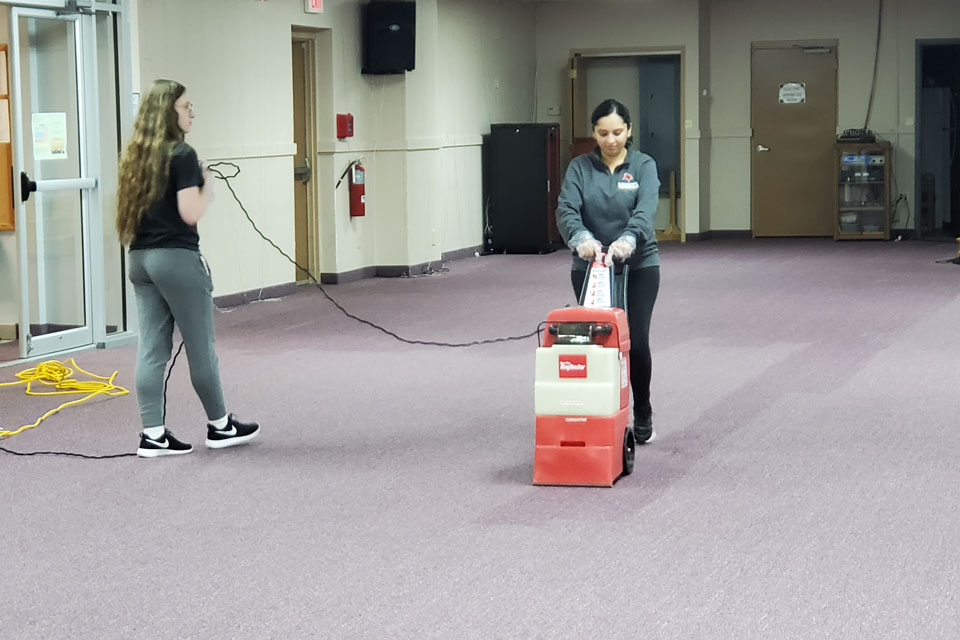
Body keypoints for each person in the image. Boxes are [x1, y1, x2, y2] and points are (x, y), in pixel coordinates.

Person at [116, 79, 260, 457]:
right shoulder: (181, 154)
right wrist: (206, 182)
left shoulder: (136, 156)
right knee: (200, 346)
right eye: (186, 106)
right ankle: (220, 426)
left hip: (140, 259)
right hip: (176, 259)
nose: (192, 112)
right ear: (169, 112)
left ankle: (153, 435)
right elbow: (189, 212)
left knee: (151, 348)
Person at [556, 98, 661, 444]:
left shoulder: (643, 165)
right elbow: (566, 209)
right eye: (603, 133)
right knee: (599, 342)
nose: (611, 140)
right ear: (594, 133)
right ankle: (600, 411)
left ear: (629, 130)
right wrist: (580, 237)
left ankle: (642, 408)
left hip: (638, 264)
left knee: (636, 340)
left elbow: (645, 211)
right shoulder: (579, 168)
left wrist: (629, 239)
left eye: (618, 132)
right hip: (590, 266)